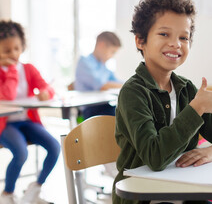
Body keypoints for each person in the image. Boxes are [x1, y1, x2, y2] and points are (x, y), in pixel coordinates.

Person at [112, 0, 212, 204]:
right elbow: (155, 157)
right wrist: (195, 110)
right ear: (140, 41)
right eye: (164, 34)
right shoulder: (133, 92)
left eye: (183, 37)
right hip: (144, 196)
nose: (176, 44)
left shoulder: (186, 88)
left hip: (183, 191)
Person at [0, 20, 60, 204]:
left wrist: (45, 93)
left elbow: (48, 89)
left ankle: (34, 189)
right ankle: (7, 194)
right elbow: (7, 96)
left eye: (17, 48)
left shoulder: (28, 69)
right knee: (20, 152)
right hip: (5, 124)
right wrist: (10, 70)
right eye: (7, 50)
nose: (14, 54)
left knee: (54, 147)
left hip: (26, 122)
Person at [74, 31, 124, 120]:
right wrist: (128, 85)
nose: (112, 56)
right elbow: (102, 86)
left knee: (126, 112)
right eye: (112, 52)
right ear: (101, 45)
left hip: (104, 105)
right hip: (90, 110)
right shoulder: (84, 62)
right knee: (120, 118)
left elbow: (116, 81)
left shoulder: (102, 66)